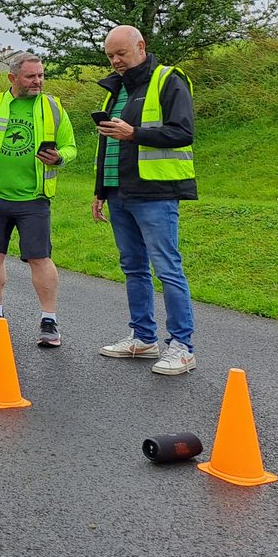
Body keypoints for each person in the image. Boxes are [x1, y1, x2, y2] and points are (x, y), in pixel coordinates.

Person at [93, 25, 198, 375]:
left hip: (155, 193)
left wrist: (134, 133)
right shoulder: (116, 89)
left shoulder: (168, 80)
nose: (116, 61)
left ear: (141, 46)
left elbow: (183, 132)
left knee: (167, 268)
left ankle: (182, 345)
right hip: (119, 191)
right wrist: (100, 190)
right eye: (110, 56)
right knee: (133, 267)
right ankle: (143, 337)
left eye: (121, 53)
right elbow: (108, 145)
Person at [0, 53, 76, 347]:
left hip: (33, 199)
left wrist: (60, 158)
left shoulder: (52, 107)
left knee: (40, 258)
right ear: (12, 78)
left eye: (41, 75)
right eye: (31, 76)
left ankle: (49, 320)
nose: (38, 81)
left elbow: (70, 146)